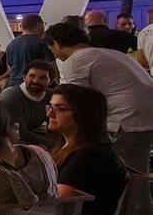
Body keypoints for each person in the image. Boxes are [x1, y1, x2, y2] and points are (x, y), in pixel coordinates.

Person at [43, 22, 153, 179]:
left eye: (51, 49)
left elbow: (74, 100)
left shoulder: (75, 60)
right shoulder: (114, 54)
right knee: (136, 174)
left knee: (129, 179)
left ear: (55, 43)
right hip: (144, 117)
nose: (53, 54)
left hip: (126, 122)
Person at [47, 84, 126, 215]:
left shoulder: (89, 153)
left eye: (59, 108)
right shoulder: (71, 146)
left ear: (83, 114)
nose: (50, 113)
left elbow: (59, 199)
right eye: (50, 106)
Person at [0, 60, 61, 147]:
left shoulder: (51, 96)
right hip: (6, 141)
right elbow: (21, 134)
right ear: (24, 77)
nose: (36, 81)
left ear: (50, 81)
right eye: (32, 76)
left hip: (28, 137)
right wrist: (55, 145)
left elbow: (56, 126)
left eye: (42, 78)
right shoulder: (11, 97)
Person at [5, 15, 53, 87]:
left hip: (13, 84)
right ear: (38, 25)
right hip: (34, 85)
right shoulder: (42, 42)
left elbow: (9, 67)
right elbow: (51, 64)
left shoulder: (10, 44)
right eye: (43, 24)